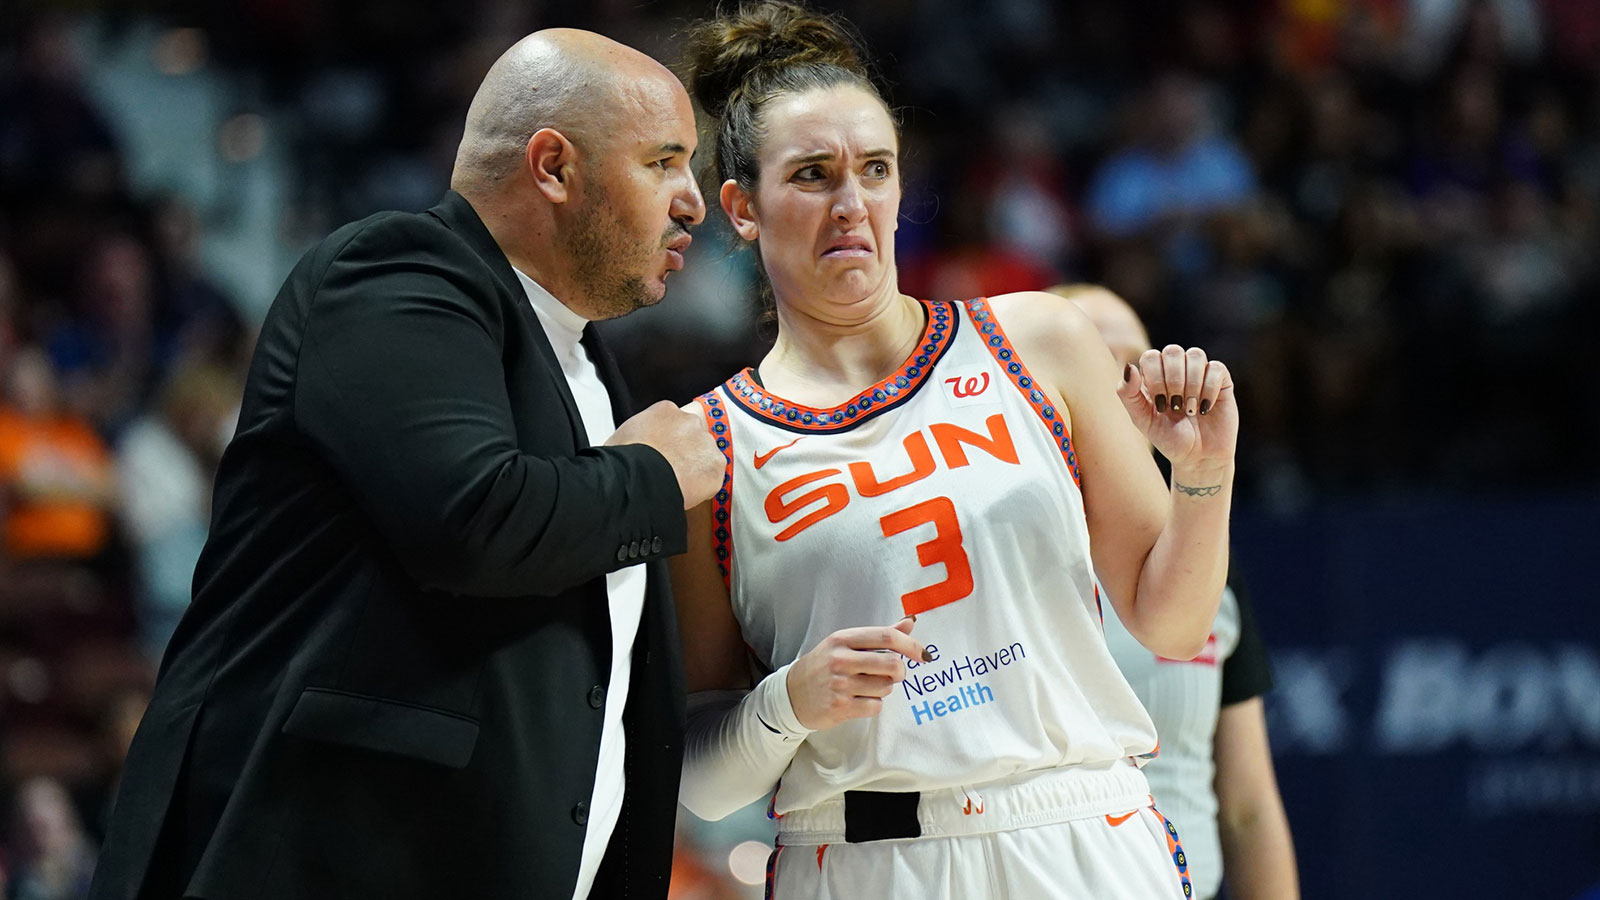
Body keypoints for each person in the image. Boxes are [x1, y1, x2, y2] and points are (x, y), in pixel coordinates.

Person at [88, 29, 722, 900]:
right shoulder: (396, 270)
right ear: (552, 166)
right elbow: (473, 519)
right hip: (334, 858)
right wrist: (653, 476)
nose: (694, 200)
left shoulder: (583, 361)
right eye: (664, 162)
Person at [671, 3, 1238, 897]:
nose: (851, 204)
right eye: (813, 175)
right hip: (857, 857)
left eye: (875, 170)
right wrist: (789, 705)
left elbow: (1173, 623)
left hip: (1078, 834)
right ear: (741, 208)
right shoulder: (709, 447)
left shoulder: (1039, 339)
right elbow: (704, 781)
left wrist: (1204, 477)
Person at [1054, 283, 1300, 900]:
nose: (1123, 387)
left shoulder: (1202, 560)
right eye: (1095, 364)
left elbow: (1247, 806)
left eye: (1135, 364)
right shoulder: (999, 555)